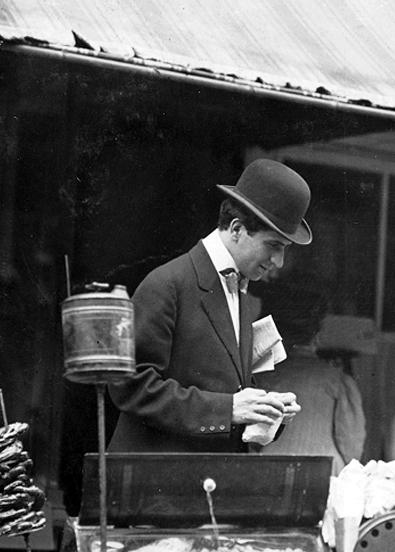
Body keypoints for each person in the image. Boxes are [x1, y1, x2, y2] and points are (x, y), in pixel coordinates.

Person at [108, 159, 311, 453]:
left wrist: (265, 411)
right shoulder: (166, 284)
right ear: (237, 229)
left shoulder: (238, 291)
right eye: (274, 245)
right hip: (155, 485)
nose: (278, 262)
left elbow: (227, 393)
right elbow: (130, 387)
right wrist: (228, 409)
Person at [257, 280, 366, 474]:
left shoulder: (263, 378)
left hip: (270, 469)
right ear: (317, 335)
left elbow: (253, 437)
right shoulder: (338, 381)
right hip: (324, 471)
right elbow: (351, 441)